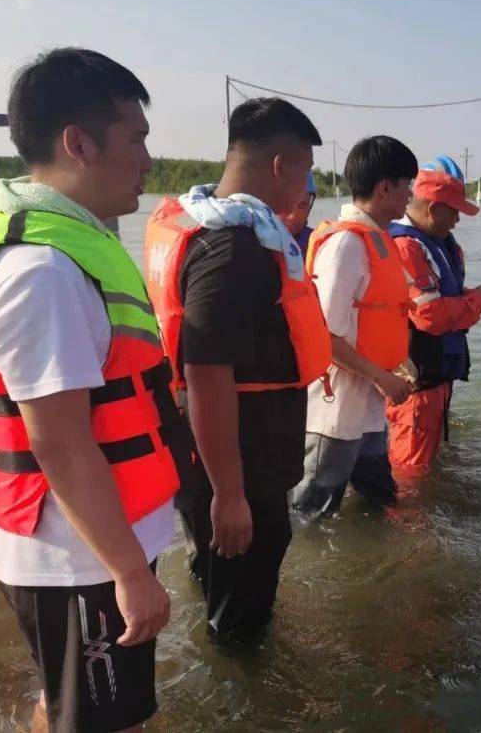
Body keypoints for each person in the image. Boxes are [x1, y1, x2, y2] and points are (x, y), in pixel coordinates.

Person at [0, 47, 193, 732]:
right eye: (137, 138)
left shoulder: (65, 243)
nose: (149, 158)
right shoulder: (41, 269)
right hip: (75, 559)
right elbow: (57, 443)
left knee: (71, 713)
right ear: (78, 142)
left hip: (91, 546)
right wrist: (130, 574)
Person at [143, 97, 328, 643]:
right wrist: (230, 493)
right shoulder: (234, 248)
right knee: (242, 609)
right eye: (305, 171)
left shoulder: (200, 223)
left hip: (210, 454)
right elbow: (205, 371)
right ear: (280, 166)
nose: (304, 187)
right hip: (236, 462)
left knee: (218, 572)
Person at [289, 136, 417, 519]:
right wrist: (382, 378)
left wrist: (402, 359)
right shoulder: (346, 245)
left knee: (377, 503)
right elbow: (323, 337)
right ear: (384, 188)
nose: (410, 194)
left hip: (369, 409)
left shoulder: (379, 241)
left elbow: (378, 317)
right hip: (336, 412)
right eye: (406, 185)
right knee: (313, 513)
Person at [386, 155, 481, 481]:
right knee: (410, 476)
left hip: (437, 379)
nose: (457, 219)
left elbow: (444, 296)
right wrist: (477, 300)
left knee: (430, 464)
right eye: (453, 210)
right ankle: (409, 532)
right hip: (415, 386)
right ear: (432, 208)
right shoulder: (406, 246)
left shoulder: (439, 242)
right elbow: (428, 316)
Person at [284, 170, 316, 253]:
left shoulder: (319, 245)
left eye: (301, 206)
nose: (292, 215)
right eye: (286, 204)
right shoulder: (255, 244)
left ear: (310, 205)